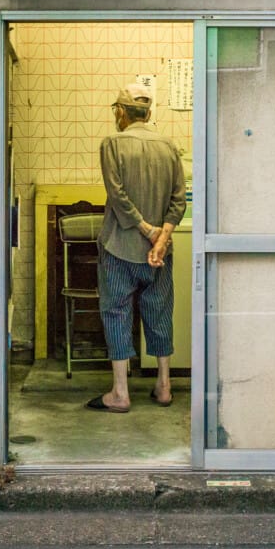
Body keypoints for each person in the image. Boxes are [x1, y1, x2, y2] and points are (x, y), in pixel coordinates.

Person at [85, 83, 187, 414]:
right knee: (159, 312)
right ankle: (164, 386)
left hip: (119, 246)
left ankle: (119, 393)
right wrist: (161, 238)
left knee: (116, 312)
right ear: (150, 112)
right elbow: (178, 200)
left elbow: (117, 195)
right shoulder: (169, 146)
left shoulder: (112, 144)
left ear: (121, 112)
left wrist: (143, 228)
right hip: (159, 253)